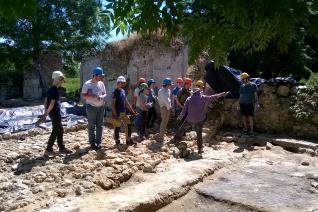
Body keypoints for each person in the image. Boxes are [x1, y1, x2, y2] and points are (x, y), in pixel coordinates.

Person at [173, 80, 230, 154]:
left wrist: (180, 117)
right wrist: (222, 94)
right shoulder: (203, 97)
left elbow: (184, 110)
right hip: (199, 120)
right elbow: (214, 97)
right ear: (200, 91)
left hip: (189, 119)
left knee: (182, 129)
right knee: (199, 134)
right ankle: (200, 149)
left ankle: (175, 139)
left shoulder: (189, 99)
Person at [43, 71, 72, 156]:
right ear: (59, 79)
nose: (62, 82)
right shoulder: (54, 90)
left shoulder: (50, 89)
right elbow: (52, 103)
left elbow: (45, 101)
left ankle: (61, 148)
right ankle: (49, 149)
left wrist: (46, 112)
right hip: (55, 113)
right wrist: (46, 113)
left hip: (52, 113)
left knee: (60, 130)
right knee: (55, 130)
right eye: (62, 80)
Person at [81, 67, 107, 150]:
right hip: (91, 107)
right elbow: (83, 95)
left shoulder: (101, 83)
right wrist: (91, 96)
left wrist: (101, 97)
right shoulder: (87, 84)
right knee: (91, 126)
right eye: (100, 76)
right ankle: (92, 143)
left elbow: (105, 93)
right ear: (95, 75)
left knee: (100, 125)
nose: (101, 78)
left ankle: (98, 143)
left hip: (101, 107)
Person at [112, 76, 137, 145]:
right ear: (118, 83)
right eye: (122, 83)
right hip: (117, 112)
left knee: (128, 124)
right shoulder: (115, 92)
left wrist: (132, 110)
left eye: (124, 83)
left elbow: (126, 102)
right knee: (117, 127)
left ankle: (128, 140)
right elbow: (113, 104)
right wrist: (115, 114)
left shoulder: (123, 91)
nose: (123, 84)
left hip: (123, 112)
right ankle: (117, 140)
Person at [157, 77, 173, 142]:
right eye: (170, 85)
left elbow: (169, 100)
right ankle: (161, 137)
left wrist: (169, 107)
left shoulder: (168, 90)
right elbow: (166, 101)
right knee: (163, 122)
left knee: (165, 122)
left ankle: (163, 134)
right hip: (164, 108)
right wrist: (169, 107)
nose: (171, 86)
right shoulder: (162, 91)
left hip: (167, 107)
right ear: (167, 85)